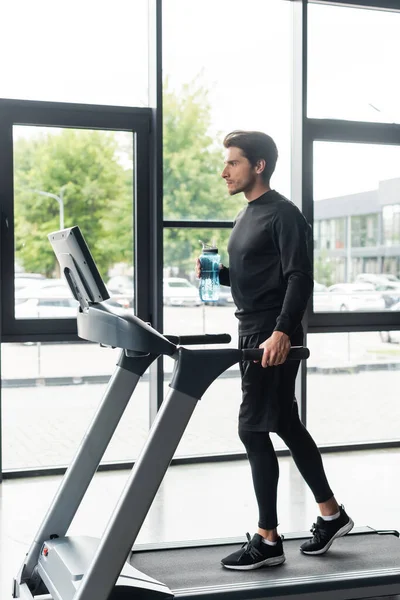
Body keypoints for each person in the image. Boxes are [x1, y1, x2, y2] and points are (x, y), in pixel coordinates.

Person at [196, 130, 353, 571]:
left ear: (258, 165)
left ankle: (267, 539)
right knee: (284, 421)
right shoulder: (249, 215)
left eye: (233, 162)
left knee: (252, 429)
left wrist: (283, 332)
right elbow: (259, 275)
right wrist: (223, 275)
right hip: (252, 329)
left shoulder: (283, 214)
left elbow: (299, 277)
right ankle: (332, 513)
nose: (224, 170)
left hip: (270, 335)